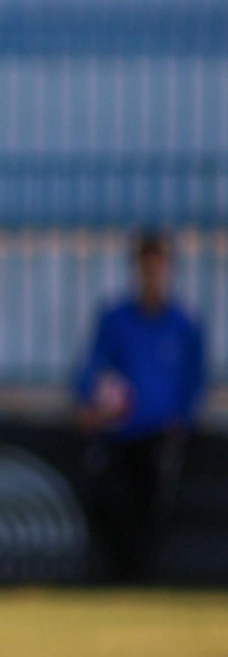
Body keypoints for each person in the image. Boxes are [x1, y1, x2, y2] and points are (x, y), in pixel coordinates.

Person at [74, 230, 206, 582]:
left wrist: (184, 418)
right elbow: (92, 367)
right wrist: (90, 403)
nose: (152, 273)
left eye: (158, 265)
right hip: (119, 434)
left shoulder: (184, 323)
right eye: (146, 266)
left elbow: (194, 379)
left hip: (161, 435)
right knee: (113, 506)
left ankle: (145, 580)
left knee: (156, 513)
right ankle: (119, 577)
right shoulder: (115, 319)